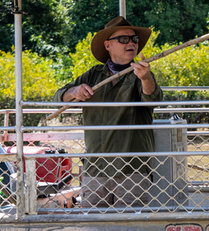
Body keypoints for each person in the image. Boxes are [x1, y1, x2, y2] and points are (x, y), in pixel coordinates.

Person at [53, 16, 162, 208]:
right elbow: (58, 98)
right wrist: (74, 92)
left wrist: (146, 78)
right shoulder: (94, 75)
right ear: (107, 45)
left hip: (132, 169)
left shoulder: (140, 73)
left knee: (130, 229)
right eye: (123, 39)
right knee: (94, 227)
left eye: (134, 39)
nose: (131, 43)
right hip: (96, 168)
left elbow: (153, 98)